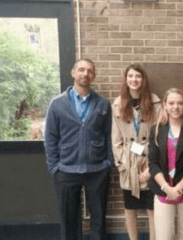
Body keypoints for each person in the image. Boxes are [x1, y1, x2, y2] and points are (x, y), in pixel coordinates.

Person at [44, 59, 113, 240]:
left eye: (90, 71)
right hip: (66, 170)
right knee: (69, 220)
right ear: (73, 73)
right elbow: (50, 137)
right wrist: (54, 167)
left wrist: (107, 163)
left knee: (99, 221)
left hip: (97, 170)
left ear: (94, 76)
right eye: (81, 70)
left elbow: (108, 135)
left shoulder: (103, 104)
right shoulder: (57, 104)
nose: (85, 74)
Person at [111, 64, 160, 240]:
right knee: (130, 209)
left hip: (149, 161)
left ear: (143, 79)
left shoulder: (155, 102)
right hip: (129, 162)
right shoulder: (118, 104)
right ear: (126, 79)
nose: (134, 79)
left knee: (152, 209)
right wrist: (124, 164)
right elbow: (116, 140)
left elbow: (159, 137)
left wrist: (152, 168)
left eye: (137, 76)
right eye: (130, 76)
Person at [148, 88, 183, 240]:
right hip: (163, 189)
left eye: (180, 103)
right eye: (171, 103)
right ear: (164, 105)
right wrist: (166, 187)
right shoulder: (157, 130)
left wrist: (178, 188)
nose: (175, 107)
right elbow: (152, 163)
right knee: (164, 235)